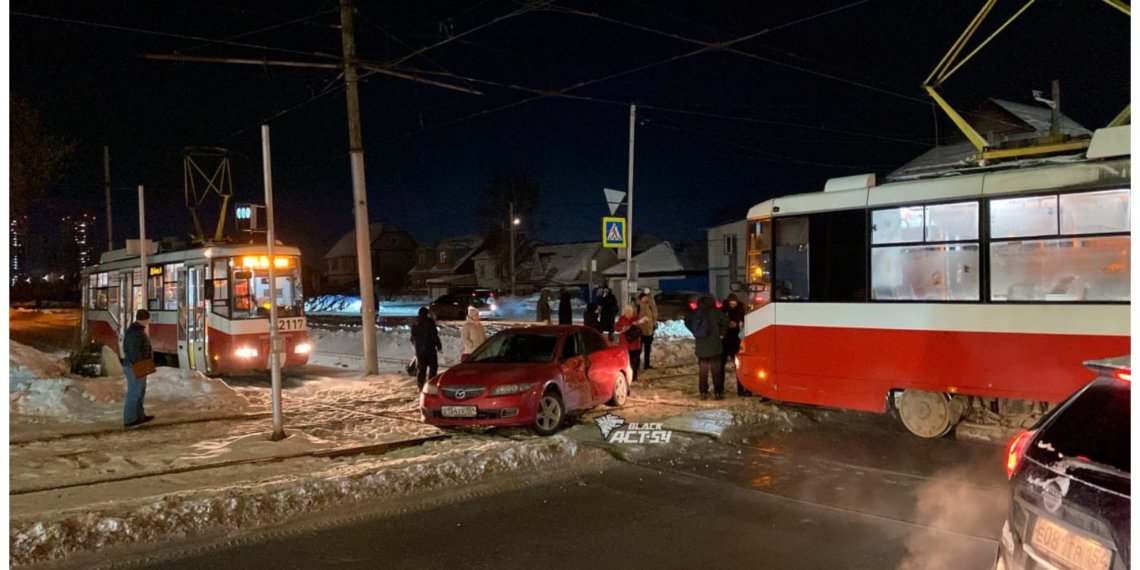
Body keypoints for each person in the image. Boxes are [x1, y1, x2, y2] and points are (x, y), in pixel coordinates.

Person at [685, 294, 729, 400]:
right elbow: (726, 321)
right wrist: (722, 333)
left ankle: (703, 392)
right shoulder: (716, 312)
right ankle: (718, 392)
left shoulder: (696, 313)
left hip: (701, 346)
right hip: (715, 346)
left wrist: (695, 332)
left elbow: (687, 321)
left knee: (703, 371)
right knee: (716, 370)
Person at [122, 309, 155, 427]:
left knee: (140, 391)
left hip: (137, 365)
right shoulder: (135, 332)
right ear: (145, 319)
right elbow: (134, 351)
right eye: (147, 319)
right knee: (134, 392)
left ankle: (139, 416)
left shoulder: (137, 330)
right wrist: (141, 365)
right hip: (135, 366)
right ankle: (130, 419)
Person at [721, 293, 750, 396]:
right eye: (731, 303)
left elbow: (745, 322)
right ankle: (720, 389)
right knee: (721, 367)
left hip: (735, 341)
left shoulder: (740, 310)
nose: (733, 304)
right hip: (724, 341)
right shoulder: (723, 310)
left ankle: (741, 388)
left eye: (734, 303)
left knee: (739, 366)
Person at [411, 307, 442, 390]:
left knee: (421, 369)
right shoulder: (429, 322)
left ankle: (420, 386)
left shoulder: (415, 323)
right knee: (433, 367)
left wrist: (417, 345)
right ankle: (431, 384)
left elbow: (412, 338)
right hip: (430, 350)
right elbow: (434, 335)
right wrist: (438, 346)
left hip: (419, 351)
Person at [615, 304, 648, 383]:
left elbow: (641, 329)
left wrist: (640, 323)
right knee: (628, 362)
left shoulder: (636, 318)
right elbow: (617, 328)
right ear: (625, 312)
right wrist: (625, 327)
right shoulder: (622, 319)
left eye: (631, 312)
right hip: (626, 345)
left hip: (636, 345)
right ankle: (629, 377)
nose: (630, 313)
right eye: (628, 312)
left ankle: (634, 376)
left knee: (636, 361)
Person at [636, 291, 658, 370]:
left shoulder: (650, 306)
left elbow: (655, 314)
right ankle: (636, 364)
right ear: (640, 298)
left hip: (649, 331)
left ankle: (646, 364)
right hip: (640, 331)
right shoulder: (638, 306)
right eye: (644, 297)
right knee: (638, 349)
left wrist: (653, 324)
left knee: (648, 349)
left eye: (647, 297)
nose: (646, 298)